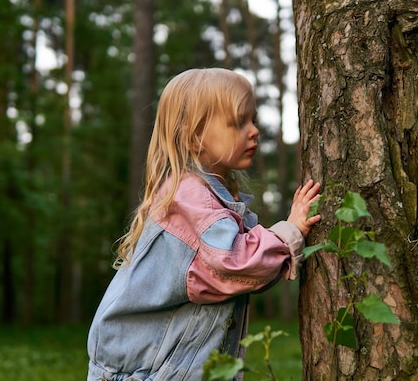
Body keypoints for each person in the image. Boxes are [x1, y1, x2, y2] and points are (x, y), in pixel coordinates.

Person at [86, 67, 321, 381]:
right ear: (195, 136)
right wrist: (291, 230)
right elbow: (235, 263)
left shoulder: (200, 193)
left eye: (253, 120)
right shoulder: (190, 197)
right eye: (238, 122)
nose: (253, 131)